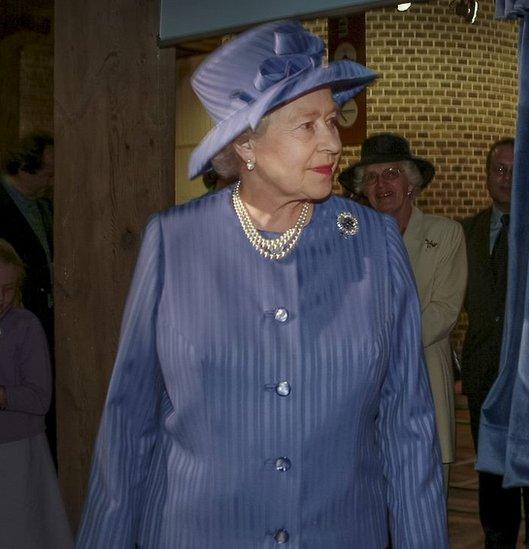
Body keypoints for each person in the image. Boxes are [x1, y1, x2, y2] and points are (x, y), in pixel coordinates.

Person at [75, 21, 447, 548]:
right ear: (246, 143)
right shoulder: (175, 242)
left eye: (332, 122)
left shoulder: (373, 244)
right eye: (307, 126)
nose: (333, 143)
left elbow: (408, 428)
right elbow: (128, 426)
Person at [339, 133, 468, 490]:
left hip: (423, 380)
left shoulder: (446, 234)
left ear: (411, 182)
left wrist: (380, 345)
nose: (381, 184)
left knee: (422, 511)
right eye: (372, 177)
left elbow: (443, 312)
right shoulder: (350, 238)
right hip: (364, 392)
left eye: (391, 173)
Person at [460, 138, 528, 548]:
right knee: (492, 478)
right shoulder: (463, 233)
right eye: (499, 169)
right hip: (484, 374)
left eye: (516, 170)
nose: (507, 178)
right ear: (487, 176)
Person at [0, 239, 72, 548]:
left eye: (9, 289)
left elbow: (40, 398)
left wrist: (3, 396)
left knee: (22, 532)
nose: (2, 298)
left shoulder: (24, 326)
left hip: (17, 450)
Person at [0, 131, 57, 463]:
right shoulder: (4, 203)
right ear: (23, 167)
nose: (52, 179)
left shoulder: (44, 207)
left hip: (36, 316)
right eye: (47, 172)